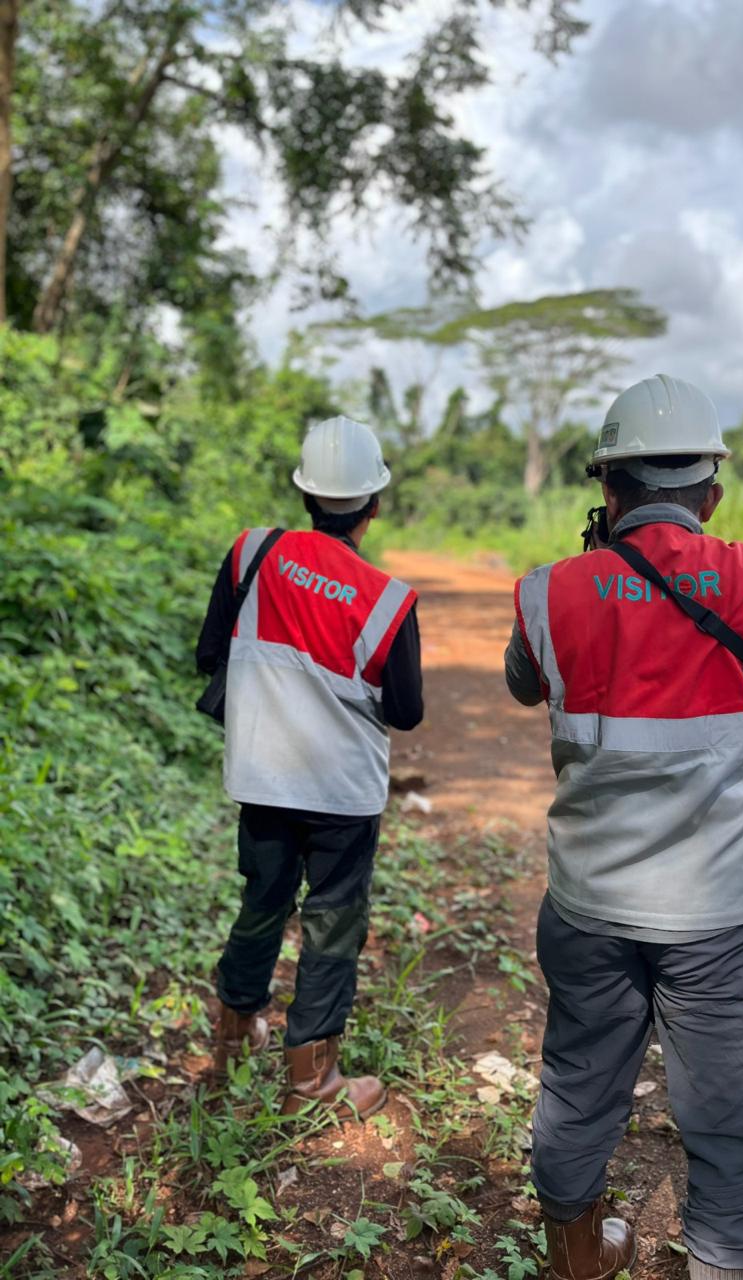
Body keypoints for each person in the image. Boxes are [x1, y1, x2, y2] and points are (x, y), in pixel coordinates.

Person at [504, 374, 743, 1280]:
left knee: (578, 1089)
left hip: (591, 908)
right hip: (724, 920)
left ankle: (577, 1256)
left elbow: (526, 683)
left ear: (608, 491)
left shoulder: (548, 593)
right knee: (731, 1130)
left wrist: (600, 576)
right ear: (711, 493)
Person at [196, 415, 423, 1118]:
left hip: (261, 776)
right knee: (332, 921)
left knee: (263, 898)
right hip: (342, 795)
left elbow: (211, 655)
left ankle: (235, 1033)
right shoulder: (389, 602)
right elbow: (407, 711)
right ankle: (312, 1080)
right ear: (375, 505)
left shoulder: (251, 555)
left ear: (304, 496)